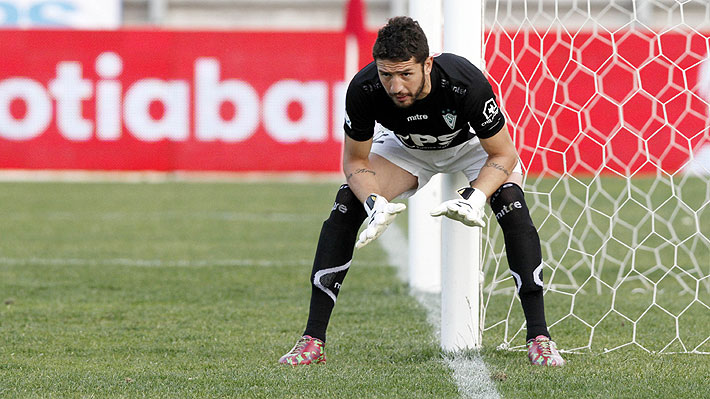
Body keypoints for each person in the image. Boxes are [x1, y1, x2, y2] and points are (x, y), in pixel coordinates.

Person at [279, 16, 565, 367]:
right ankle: (312, 340)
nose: (396, 85)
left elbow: (504, 153)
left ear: (427, 63)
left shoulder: (463, 81)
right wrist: (373, 202)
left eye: (406, 74)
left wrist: (476, 197)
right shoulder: (365, 89)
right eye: (387, 74)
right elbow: (355, 161)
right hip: (407, 150)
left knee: (510, 200)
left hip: (473, 147)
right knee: (346, 201)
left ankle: (539, 336)